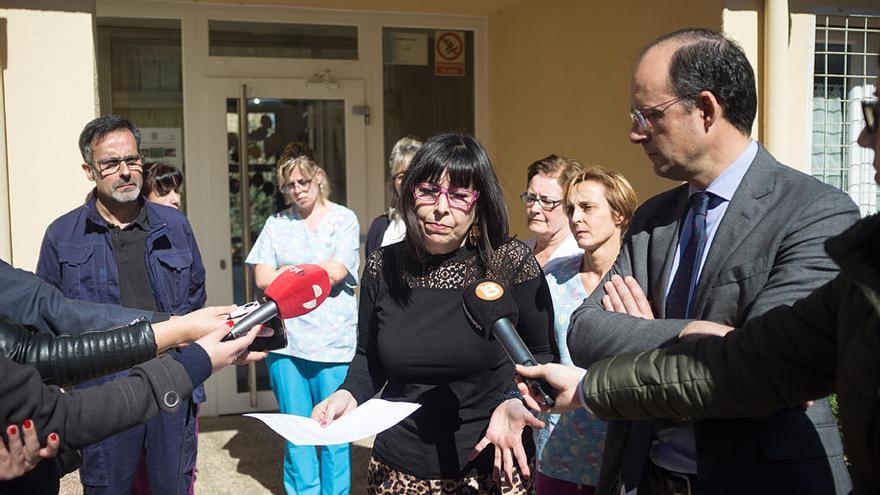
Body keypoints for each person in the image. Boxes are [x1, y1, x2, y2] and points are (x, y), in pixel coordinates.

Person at [517, 60, 880, 495]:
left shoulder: (815, 210)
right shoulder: (654, 217)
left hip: (758, 480)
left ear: (705, 110)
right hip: (646, 476)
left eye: (647, 115)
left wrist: (642, 337)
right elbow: (586, 330)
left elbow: (767, 367)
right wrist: (692, 331)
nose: (636, 133)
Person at [312, 132, 555, 494]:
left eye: (458, 196)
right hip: (397, 468)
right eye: (428, 191)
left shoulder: (509, 263)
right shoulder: (383, 266)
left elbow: (542, 355)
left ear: (479, 203)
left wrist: (517, 405)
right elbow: (369, 357)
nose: (441, 208)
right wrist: (348, 393)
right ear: (410, 194)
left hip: (488, 465)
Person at [36, 115, 207, 495]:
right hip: (101, 396)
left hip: (170, 385)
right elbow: (45, 319)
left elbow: (195, 296)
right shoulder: (62, 235)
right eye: (111, 164)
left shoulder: (174, 226)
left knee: (172, 487)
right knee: (107, 488)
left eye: (132, 160)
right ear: (89, 170)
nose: (125, 172)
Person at [0, 323, 265, 493]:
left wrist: (179, 328)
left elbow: (26, 348)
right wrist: (191, 363)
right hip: (114, 392)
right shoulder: (61, 236)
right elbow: (65, 416)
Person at [246, 143, 360, 495]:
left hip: (333, 344)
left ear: (319, 178)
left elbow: (339, 270)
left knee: (335, 435)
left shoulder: (344, 219)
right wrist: (311, 273)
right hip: (289, 345)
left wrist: (289, 272)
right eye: (289, 185)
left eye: (304, 182)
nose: (297, 191)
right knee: (297, 435)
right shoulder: (277, 224)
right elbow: (262, 277)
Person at [530, 166, 636, 495]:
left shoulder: (638, 278)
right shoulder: (553, 276)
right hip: (557, 448)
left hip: (621, 450)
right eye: (572, 208)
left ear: (618, 214)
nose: (576, 218)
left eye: (588, 208)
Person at [521, 155, 583, 269]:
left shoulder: (582, 258)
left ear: (570, 204)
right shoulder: (518, 253)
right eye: (531, 197)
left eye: (547, 201)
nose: (534, 209)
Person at [365, 137, 422, 257]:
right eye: (401, 176)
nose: (407, 181)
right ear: (394, 182)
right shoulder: (379, 227)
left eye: (413, 174)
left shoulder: (436, 224)